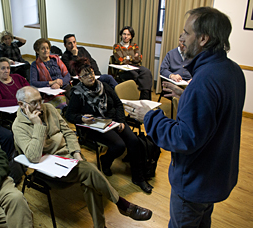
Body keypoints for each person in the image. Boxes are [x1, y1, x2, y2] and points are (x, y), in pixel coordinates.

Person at [125, 7, 246, 228]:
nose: (181, 38)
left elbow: (183, 139)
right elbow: (217, 113)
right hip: (215, 177)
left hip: (195, 183)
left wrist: (149, 117)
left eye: (186, 32)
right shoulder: (232, 70)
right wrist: (187, 95)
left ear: (203, 39)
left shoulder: (203, 81)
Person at [12, 86, 152, 228]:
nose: (39, 106)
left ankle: (101, 225)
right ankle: (122, 204)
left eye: (40, 100)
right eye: (34, 103)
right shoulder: (18, 126)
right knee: (89, 171)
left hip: (69, 158)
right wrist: (38, 126)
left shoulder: (49, 108)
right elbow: (34, 157)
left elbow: (68, 132)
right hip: (48, 169)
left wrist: (76, 153)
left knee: (89, 178)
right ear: (21, 104)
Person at [66, 57, 153, 193]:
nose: (90, 76)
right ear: (80, 78)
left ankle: (138, 177)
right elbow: (69, 115)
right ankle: (105, 161)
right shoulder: (77, 93)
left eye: (91, 72)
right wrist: (81, 118)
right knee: (119, 145)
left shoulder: (104, 86)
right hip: (95, 125)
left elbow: (118, 104)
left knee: (134, 141)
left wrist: (121, 121)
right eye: (85, 74)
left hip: (114, 121)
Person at [113, 26, 152, 100]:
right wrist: (133, 57)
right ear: (121, 35)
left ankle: (144, 98)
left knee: (147, 72)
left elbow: (139, 58)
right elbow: (120, 60)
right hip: (124, 69)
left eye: (128, 35)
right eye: (124, 34)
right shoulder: (117, 46)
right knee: (136, 75)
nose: (126, 36)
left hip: (136, 67)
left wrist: (127, 57)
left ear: (131, 36)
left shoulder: (134, 45)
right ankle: (144, 97)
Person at [30, 38, 70, 109]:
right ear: (37, 51)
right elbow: (34, 82)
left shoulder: (56, 59)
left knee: (76, 97)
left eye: (47, 48)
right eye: (43, 48)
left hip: (63, 86)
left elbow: (67, 75)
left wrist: (60, 83)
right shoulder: (35, 65)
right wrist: (52, 83)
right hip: (49, 91)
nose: (46, 50)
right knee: (65, 103)